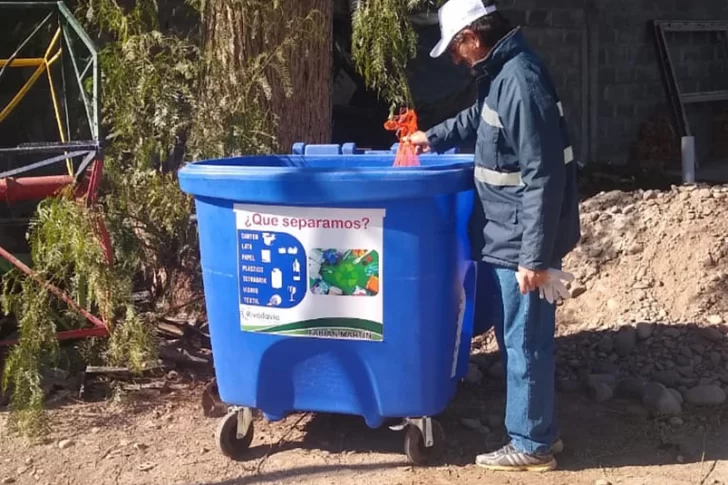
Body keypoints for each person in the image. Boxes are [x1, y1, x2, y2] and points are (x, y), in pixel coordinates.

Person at [407, 0, 581, 472]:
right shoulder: (503, 76)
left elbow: (543, 175)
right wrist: (433, 136)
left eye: (457, 50)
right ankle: (538, 431)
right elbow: (479, 121)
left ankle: (531, 444)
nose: (458, 60)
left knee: (525, 341)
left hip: (521, 237)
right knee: (520, 338)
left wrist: (535, 257)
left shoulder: (519, 81)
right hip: (510, 231)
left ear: (472, 37)